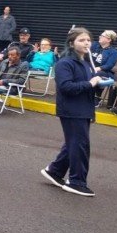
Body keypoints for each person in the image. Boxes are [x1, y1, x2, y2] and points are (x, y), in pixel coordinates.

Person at [40, 28, 104, 197]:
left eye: (88, 40)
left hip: (84, 109)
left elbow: (87, 84)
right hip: (72, 110)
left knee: (74, 143)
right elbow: (65, 87)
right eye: (82, 40)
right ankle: (77, 181)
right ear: (71, 43)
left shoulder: (85, 62)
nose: (87, 43)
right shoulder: (65, 63)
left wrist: (99, 83)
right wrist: (90, 83)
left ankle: (55, 171)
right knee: (80, 145)